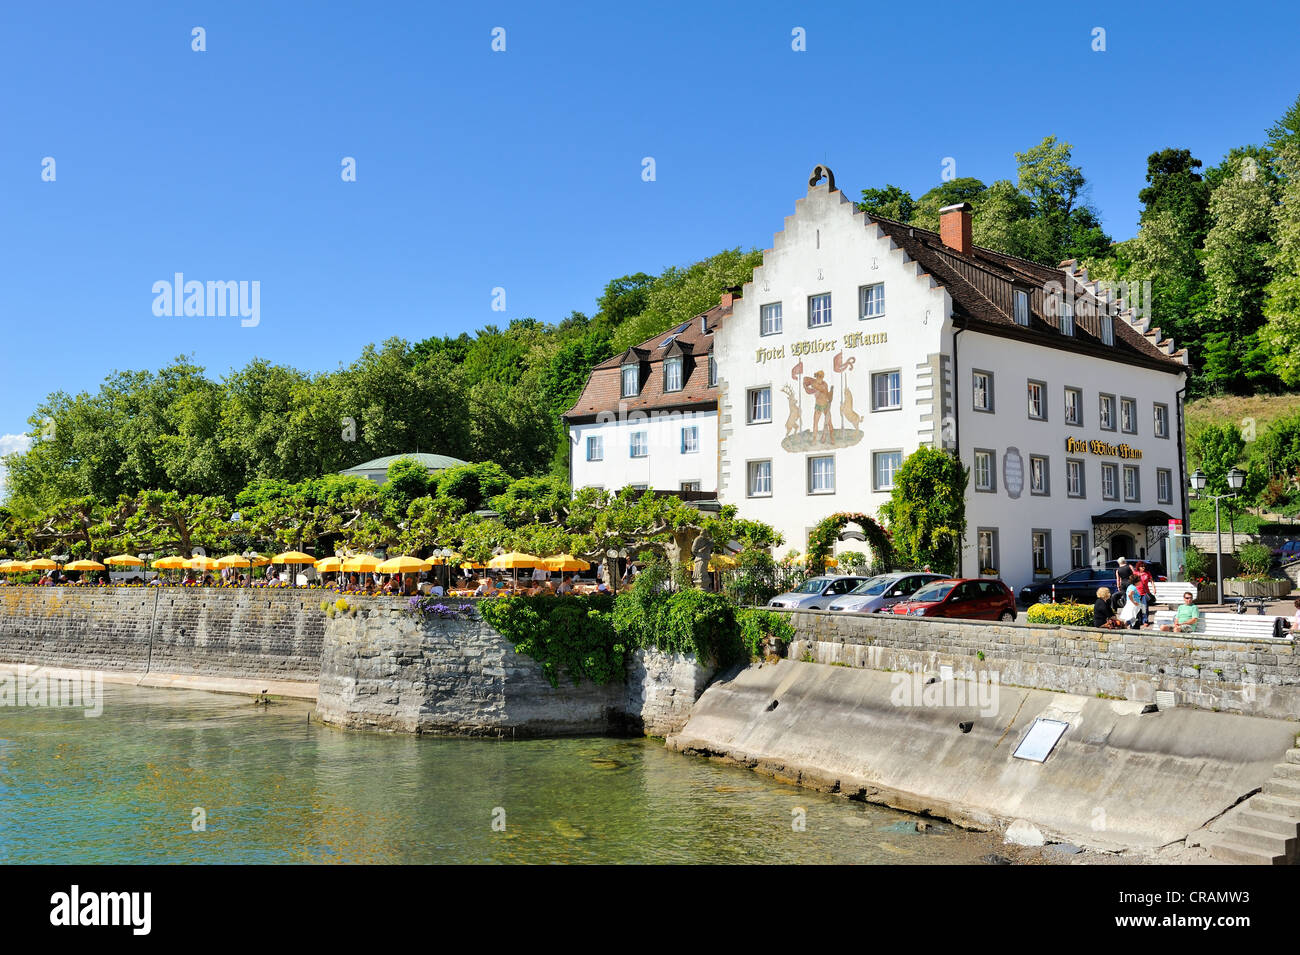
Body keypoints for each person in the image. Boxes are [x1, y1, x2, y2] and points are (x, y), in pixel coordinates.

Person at [1133, 561, 1154, 626]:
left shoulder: (1147, 573)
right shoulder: (1135, 573)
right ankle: (1139, 621)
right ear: (1138, 567)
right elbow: (1132, 582)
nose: (1143, 567)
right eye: (1142, 566)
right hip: (1137, 593)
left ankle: (1145, 621)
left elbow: (1151, 581)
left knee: (1145, 607)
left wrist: (1154, 588)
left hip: (1145, 593)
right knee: (1138, 608)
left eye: (1144, 566)